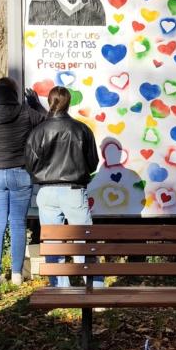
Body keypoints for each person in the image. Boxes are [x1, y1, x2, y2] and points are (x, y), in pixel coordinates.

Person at [25, 85, 102, 288]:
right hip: (74, 191)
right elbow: (92, 162)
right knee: (83, 240)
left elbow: (30, 164)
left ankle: (60, 287)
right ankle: (94, 286)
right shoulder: (82, 129)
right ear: (69, 103)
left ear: (50, 102)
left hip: (47, 192)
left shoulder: (38, 131)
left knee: (53, 243)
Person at [0, 77, 45, 288]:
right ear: (14, 93)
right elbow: (50, 121)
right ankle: (16, 275)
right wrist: (36, 104)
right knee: (18, 223)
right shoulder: (25, 112)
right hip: (21, 173)